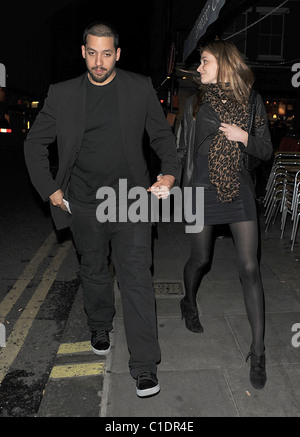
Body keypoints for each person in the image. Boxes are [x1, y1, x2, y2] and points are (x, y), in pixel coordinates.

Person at [24, 21, 180, 397]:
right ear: (83, 52)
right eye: (92, 53)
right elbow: (34, 144)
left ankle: (144, 366)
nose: (99, 61)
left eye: (106, 54)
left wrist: (170, 174)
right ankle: (99, 324)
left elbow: (161, 136)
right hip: (84, 204)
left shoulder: (138, 87)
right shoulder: (61, 95)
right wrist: (51, 191)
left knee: (137, 280)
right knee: (93, 272)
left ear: (117, 54)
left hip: (132, 204)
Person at [178, 40, 273, 390]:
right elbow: (178, 150)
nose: (198, 68)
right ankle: (188, 301)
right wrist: (168, 180)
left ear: (223, 64)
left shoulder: (252, 102)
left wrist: (243, 136)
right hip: (200, 190)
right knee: (200, 259)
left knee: (250, 267)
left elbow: (265, 149)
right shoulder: (193, 104)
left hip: (239, 190)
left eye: (204, 62)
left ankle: (259, 351)